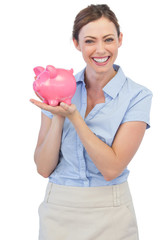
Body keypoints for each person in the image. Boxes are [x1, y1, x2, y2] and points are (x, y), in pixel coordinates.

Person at [30, 4, 152, 240]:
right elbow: (43, 168)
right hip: (58, 209)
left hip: (112, 211)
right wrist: (57, 113)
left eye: (108, 39)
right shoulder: (58, 88)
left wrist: (75, 118)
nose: (100, 49)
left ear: (120, 39)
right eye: (89, 41)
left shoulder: (137, 96)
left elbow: (112, 168)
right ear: (76, 43)